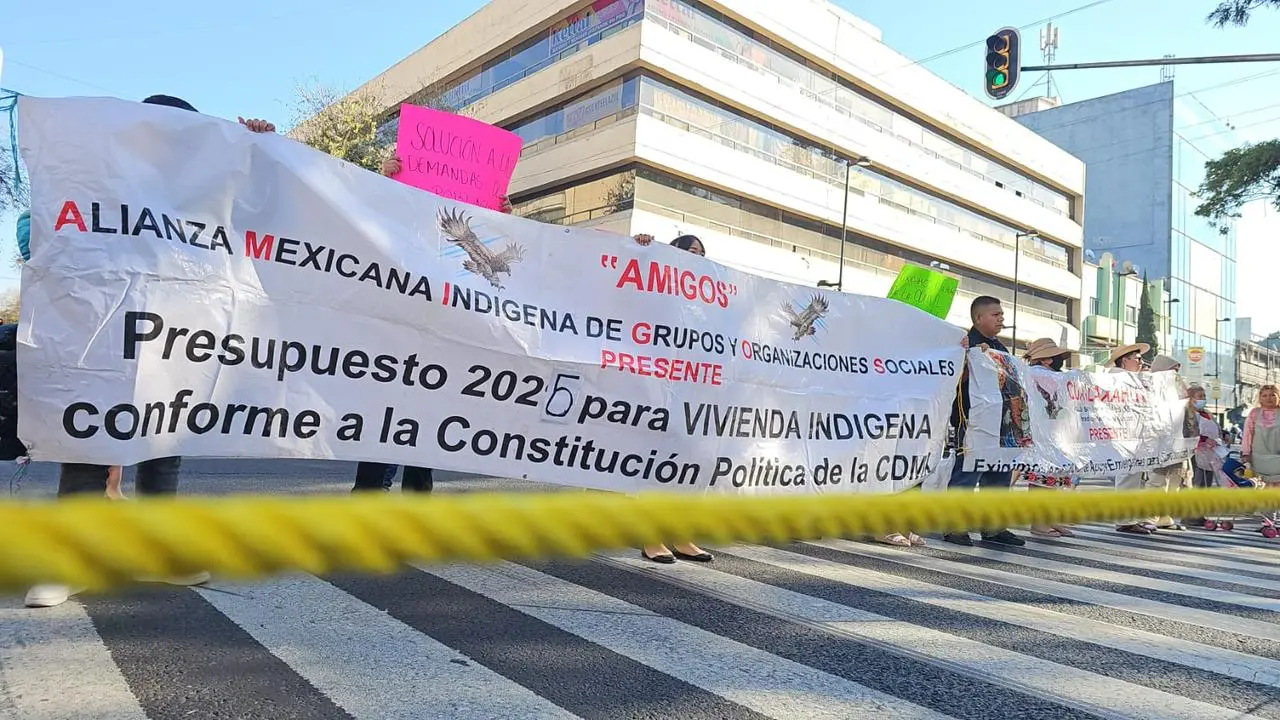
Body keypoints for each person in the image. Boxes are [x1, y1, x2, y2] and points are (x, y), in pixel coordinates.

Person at [24, 94, 277, 608]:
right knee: (91, 437)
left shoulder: (207, 190)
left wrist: (260, 154)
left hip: (180, 330)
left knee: (165, 441)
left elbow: (268, 222)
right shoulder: (97, 174)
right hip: (102, 326)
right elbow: (42, 234)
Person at [944, 296, 1025, 547]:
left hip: (1001, 420)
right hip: (972, 419)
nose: (1001, 319)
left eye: (1001, 314)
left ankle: (993, 526)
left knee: (998, 473)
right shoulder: (963, 344)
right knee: (967, 473)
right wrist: (968, 359)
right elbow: (953, 377)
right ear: (978, 318)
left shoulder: (999, 347)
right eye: (995, 315)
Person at [1021, 338, 1077, 537]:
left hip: (1053, 433)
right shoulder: (1035, 374)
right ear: (1046, 360)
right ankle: (1039, 522)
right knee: (1041, 481)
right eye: (1057, 356)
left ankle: (1049, 519)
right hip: (1042, 434)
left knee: (1053, 479)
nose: (1060, 359)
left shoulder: (1049, 375)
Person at [1106, 342, 1157, 535]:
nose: (1140, 362)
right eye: (1137, 358)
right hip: (1126, 433)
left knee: (1134, 476)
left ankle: (1130, 516)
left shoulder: (1126, 378)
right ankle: (1125, 519)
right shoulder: (1119, 378)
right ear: (1124, 360)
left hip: (1134, 432)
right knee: (1128, 475)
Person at [1147, 355, 1191, 530]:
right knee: (1156, 480)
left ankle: (1165, 516)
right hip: (1159, 442)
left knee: (1175, 480)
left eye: (1177, 370)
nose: (1176, 374)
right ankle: (1150, 516)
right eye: (1173, 370)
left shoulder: (1178, 390)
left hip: (1178, 442)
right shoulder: (1150, 389)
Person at [1244, 384, 1280, 483]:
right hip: (1258, 462)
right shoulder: (1254, 413)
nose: (1269, 398)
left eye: (1272, 395)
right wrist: (1246, 454)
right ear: (1260, 399)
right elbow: (1248, 435)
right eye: (1265, 395)